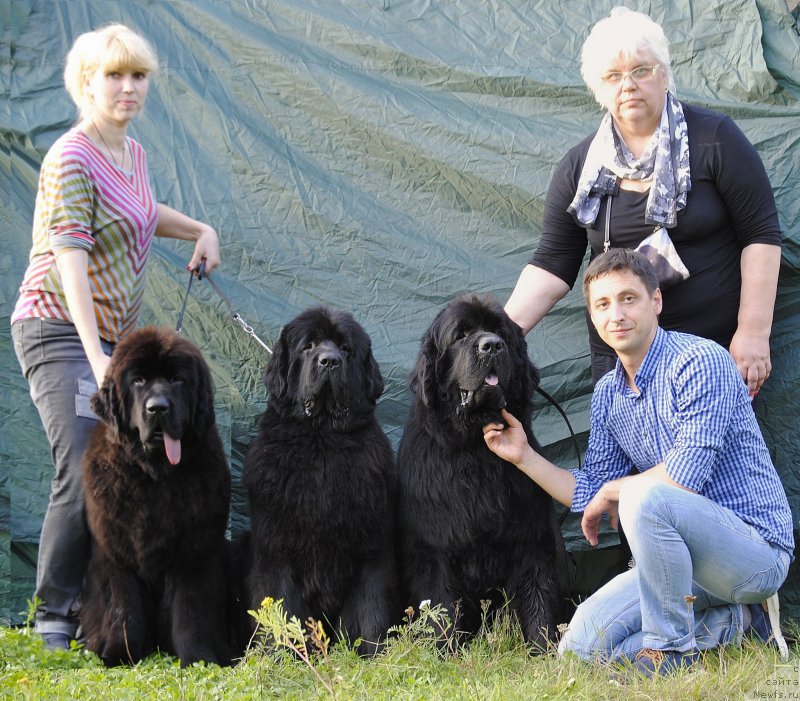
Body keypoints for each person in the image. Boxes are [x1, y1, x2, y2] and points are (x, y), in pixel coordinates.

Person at [483, 249, 793, 677]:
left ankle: (671, 653)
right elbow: (594, 491)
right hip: (678, 570)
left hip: (753, 555)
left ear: (656, 302)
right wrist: (524, 457)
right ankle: (734, 623)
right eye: (603, 304)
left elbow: (681, 477)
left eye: (629, 298)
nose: (617, 314)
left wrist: (615, 492)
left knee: (645, 495)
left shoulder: (700, 361)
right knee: (580, 647)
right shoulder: (610, 393)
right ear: (592, 316)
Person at [10, 24, 221, 651]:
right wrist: (99, 353)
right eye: (115, 76)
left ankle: (119, 611)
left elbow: (141, 212)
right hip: (57, 328)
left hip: (107, 336)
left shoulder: (132, 154)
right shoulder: (71, 157)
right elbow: (68, 257)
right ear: (86, 83)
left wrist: (200, 230)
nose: (129, 87)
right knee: (82, 461)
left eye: (138, 76)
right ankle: (55, 614)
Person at [504, 7, 781, 395]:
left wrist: (752, 333)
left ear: (664, 75)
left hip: (713, 354)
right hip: (621, 364)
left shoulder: (716, 139)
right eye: (613, 76)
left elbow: (761, 236)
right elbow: (552, 263)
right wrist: (497, 332)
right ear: (598, 88)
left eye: (641, 70)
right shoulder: (579, 166)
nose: (628, 85)